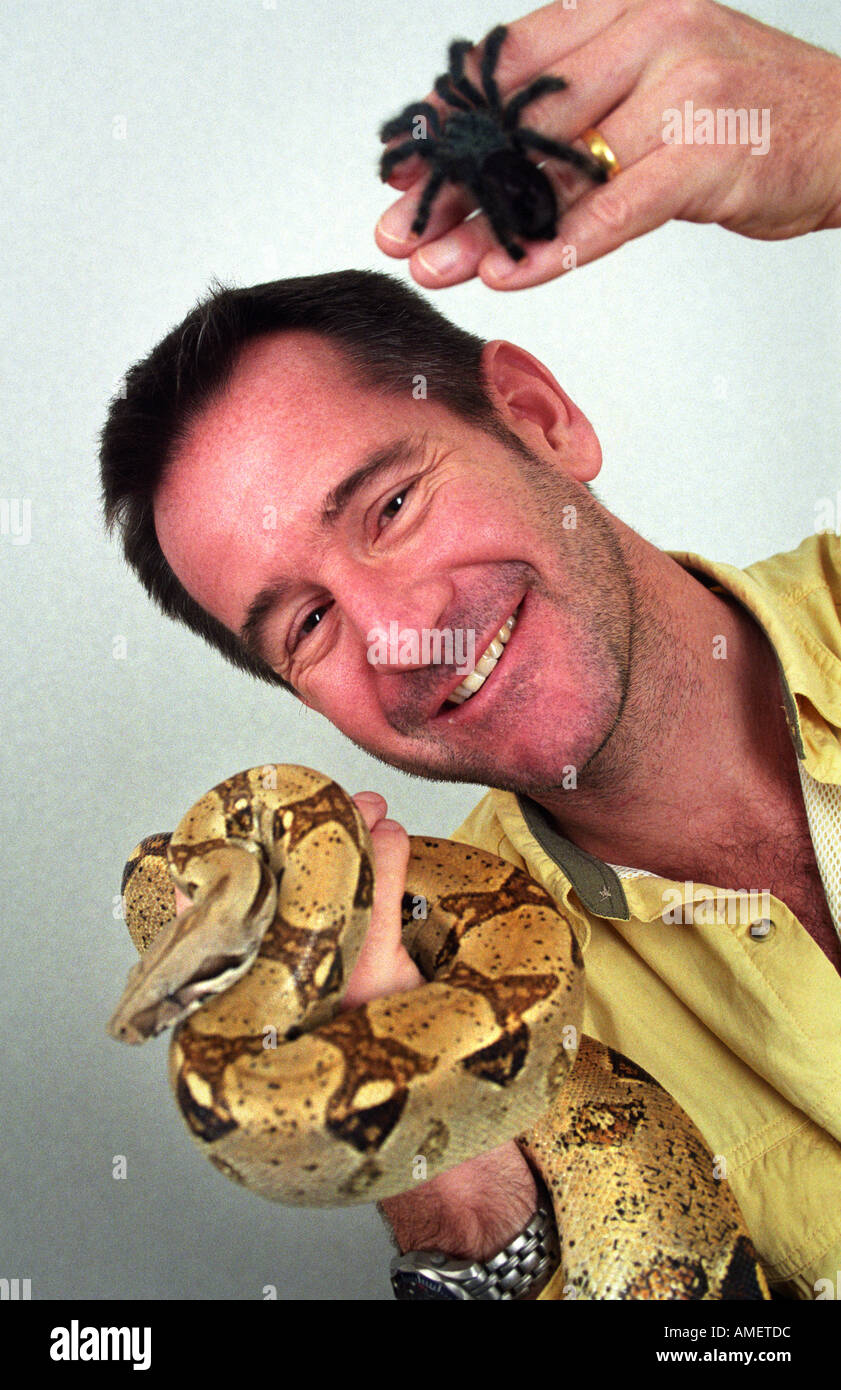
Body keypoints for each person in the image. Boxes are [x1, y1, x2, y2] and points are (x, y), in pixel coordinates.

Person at [99, 0, 841, 1299]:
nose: (399, 635)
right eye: (308, 624)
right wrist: (468, 1230)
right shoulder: (453, 1009)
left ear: (541, 421)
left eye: (389, 503)